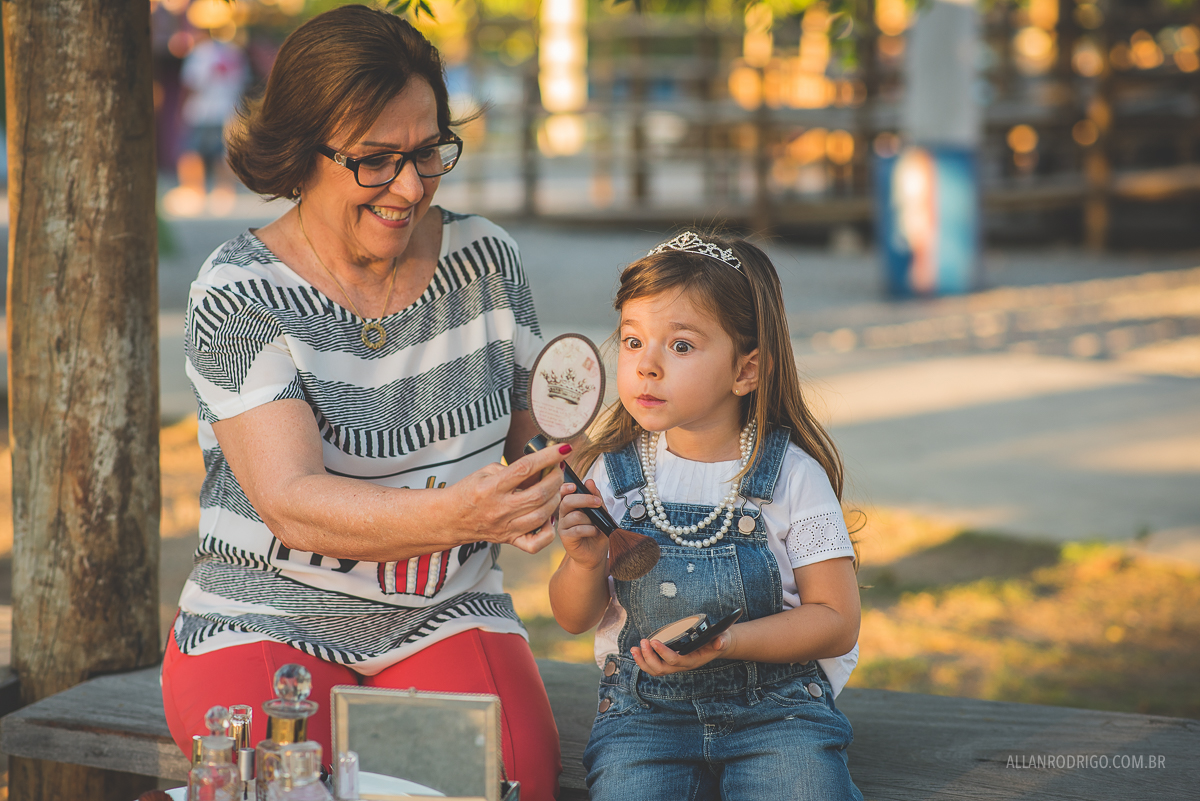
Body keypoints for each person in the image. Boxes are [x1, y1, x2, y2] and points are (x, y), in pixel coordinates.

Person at [161, 7, 563, 798]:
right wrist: (467, 515)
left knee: (511, 780)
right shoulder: (238, 292)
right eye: (376, 160)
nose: (410, 186)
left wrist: (556, 490)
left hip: (445, 609)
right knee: (277, 787)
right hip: (265, 613)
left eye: (427, 151)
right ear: (300, 152)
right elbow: (293, 503)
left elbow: (535, 440)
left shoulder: (487, 260)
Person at [550, 231, 863, 800]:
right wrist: (581, 563)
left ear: (747, 370)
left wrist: (726, 643)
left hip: (778, 714)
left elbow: (837, 621)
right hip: (644, 718)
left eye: (681, 347)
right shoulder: (609, 476)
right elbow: (573, 619)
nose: (647, 367)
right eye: (631, 341)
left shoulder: (792, 476)